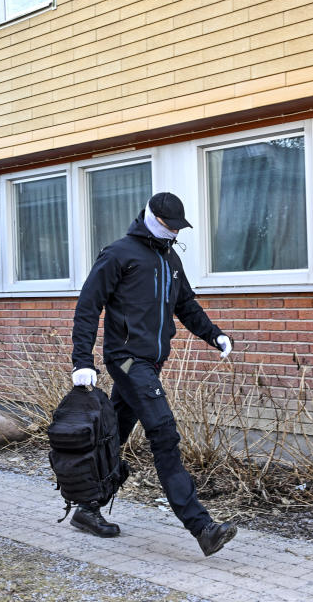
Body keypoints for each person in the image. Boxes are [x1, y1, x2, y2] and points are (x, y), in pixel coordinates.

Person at [71, 192, 237, 557]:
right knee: (163, 432)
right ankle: (202, 527)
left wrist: (215, 334)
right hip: (127, 360)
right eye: (169, 226)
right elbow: (88, 306)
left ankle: (86, 507)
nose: (175, 233)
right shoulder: (118, 254)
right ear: (151, 218)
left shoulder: (170, 259)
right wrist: (82, 361)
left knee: (111, 435)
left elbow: (186, 305)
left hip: (152, 363)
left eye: (179, 228)